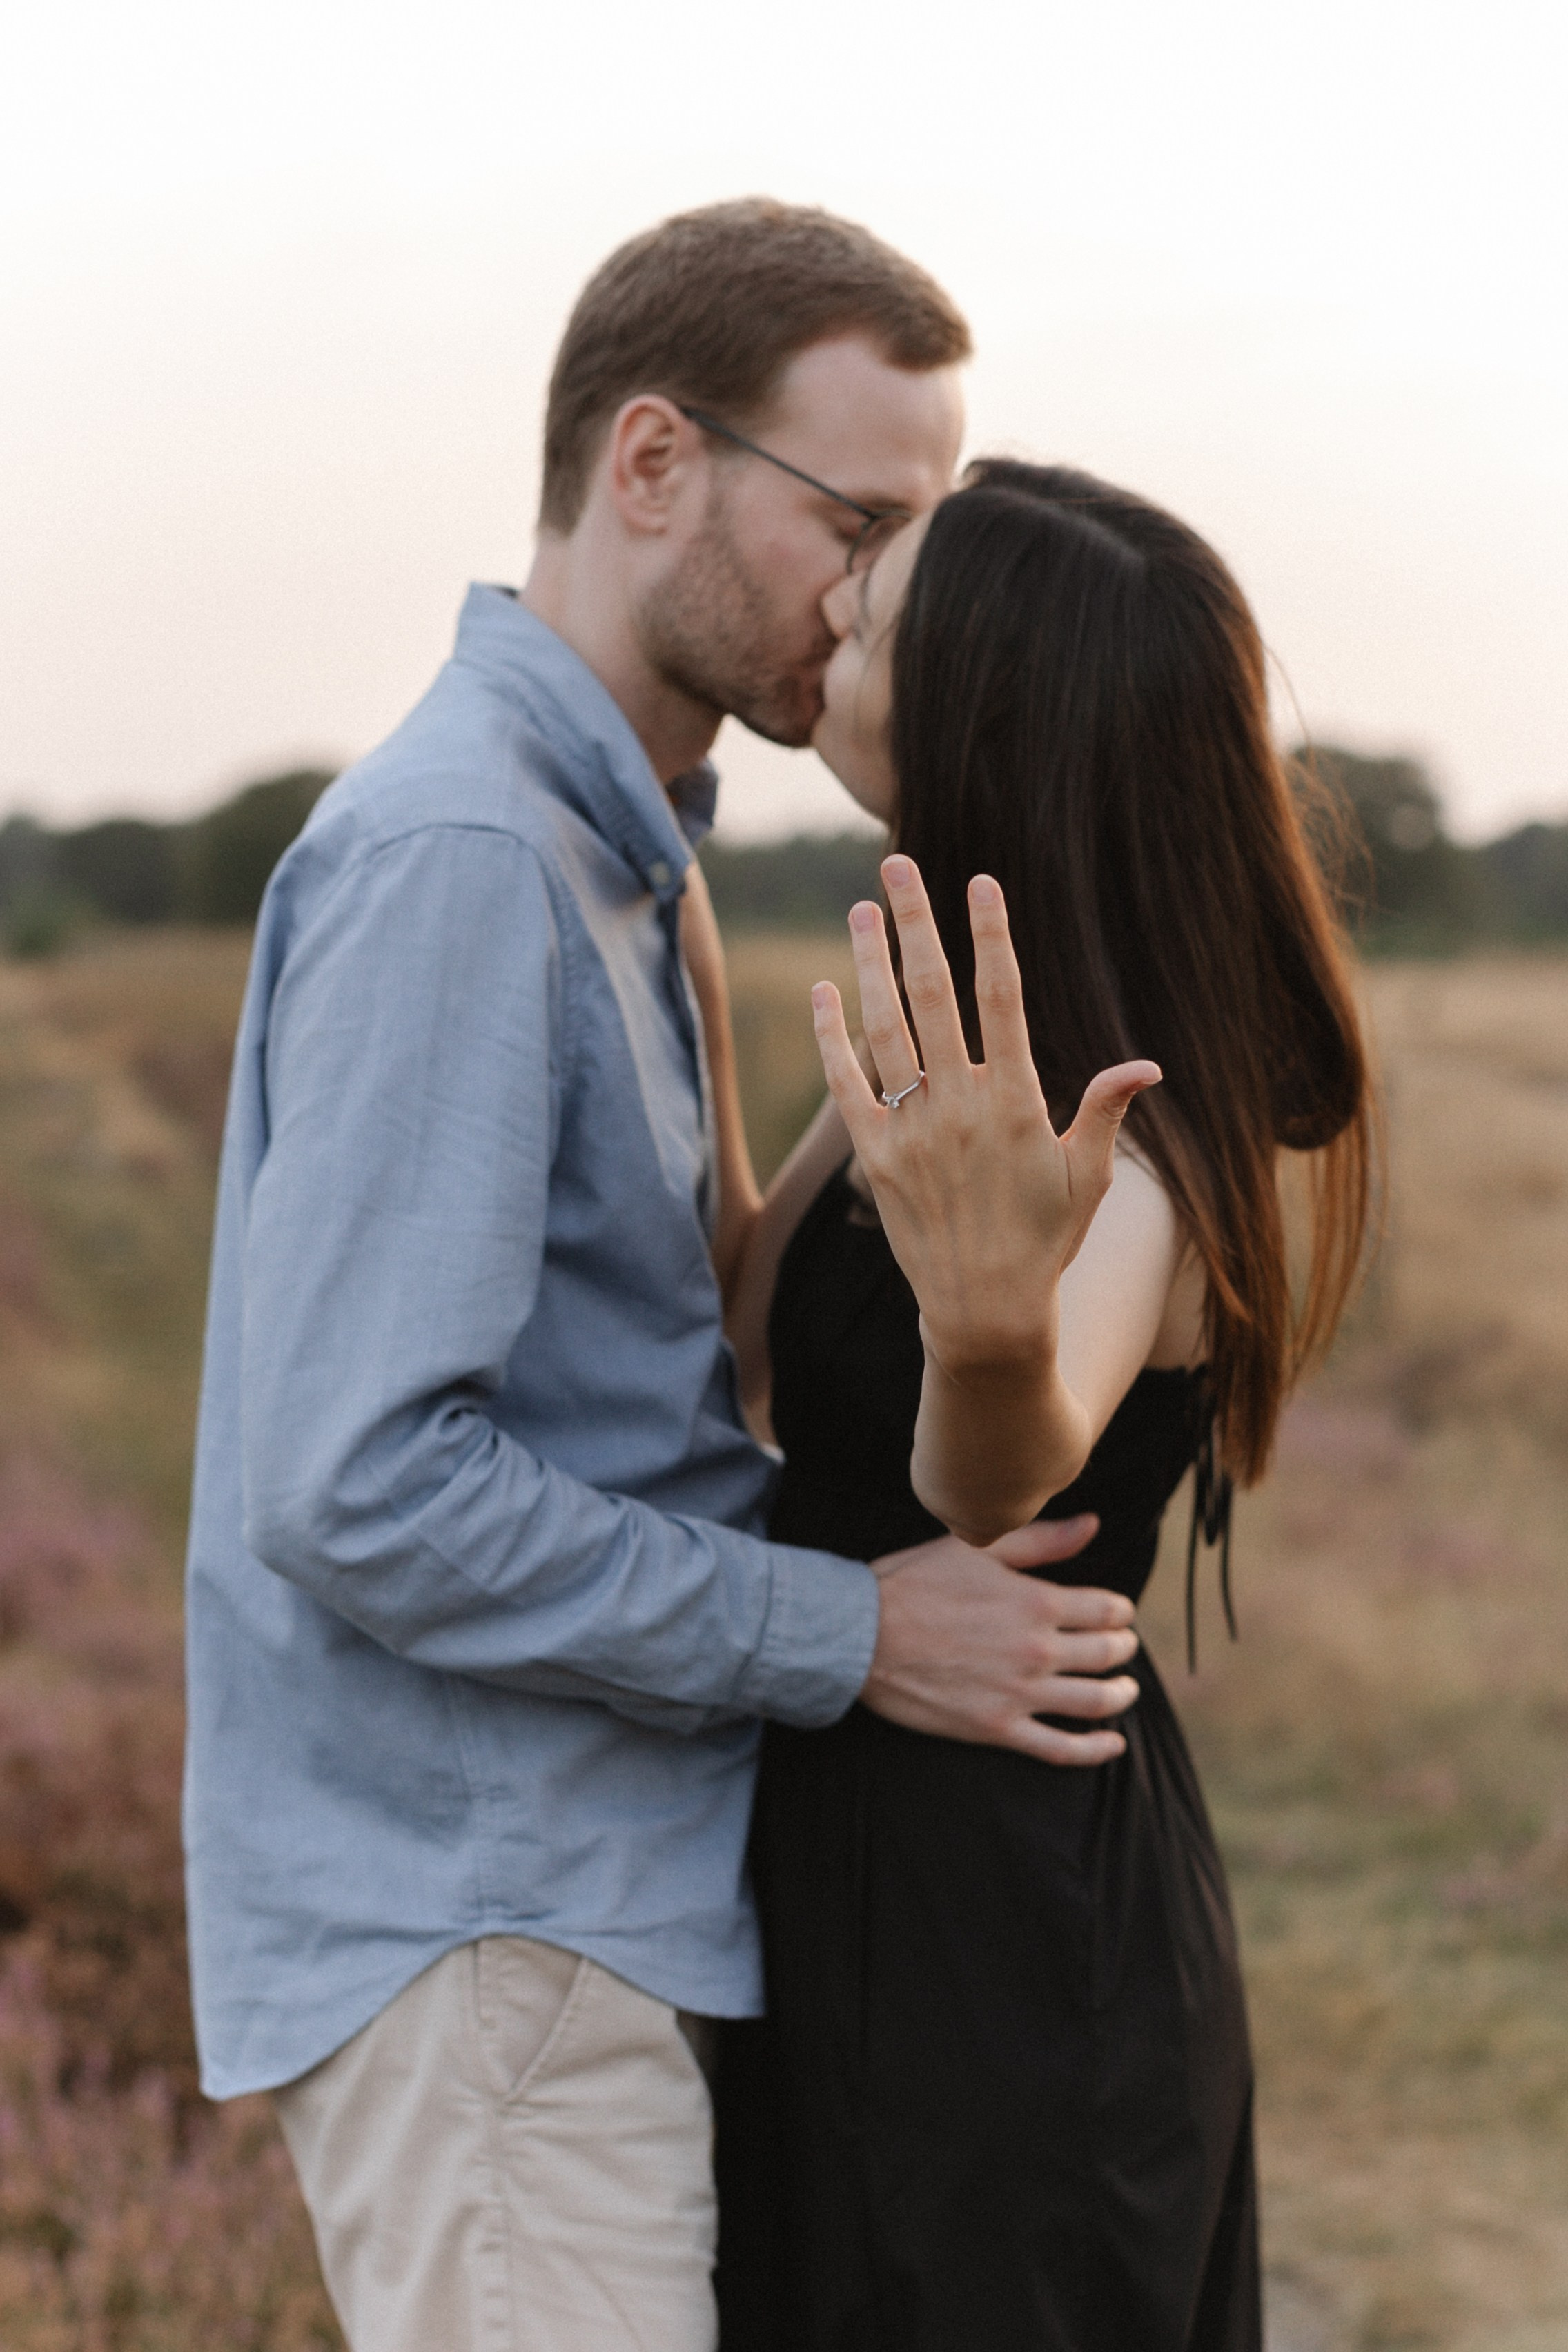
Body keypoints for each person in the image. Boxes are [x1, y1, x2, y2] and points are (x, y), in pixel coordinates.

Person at [181, 207, 1143, 2352]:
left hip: (596, 1896)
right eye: (861, 520)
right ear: (651, 466)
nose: (885, 590)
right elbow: (356, 1484)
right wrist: (850, 1631)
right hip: (491, 1931)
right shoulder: (467, 862)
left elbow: (672, 1364)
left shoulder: (630, 868)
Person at [708, 461, 1375, 2351]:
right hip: (859, 1833)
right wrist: (680, 943)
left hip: (1008, 1920)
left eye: (883, 612)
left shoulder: (1129, 1143)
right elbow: (760, 1344)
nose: (835, 618)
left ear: (987, 710)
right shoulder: (943, 1048)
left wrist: (990, 1334)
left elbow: (1004, 1475)